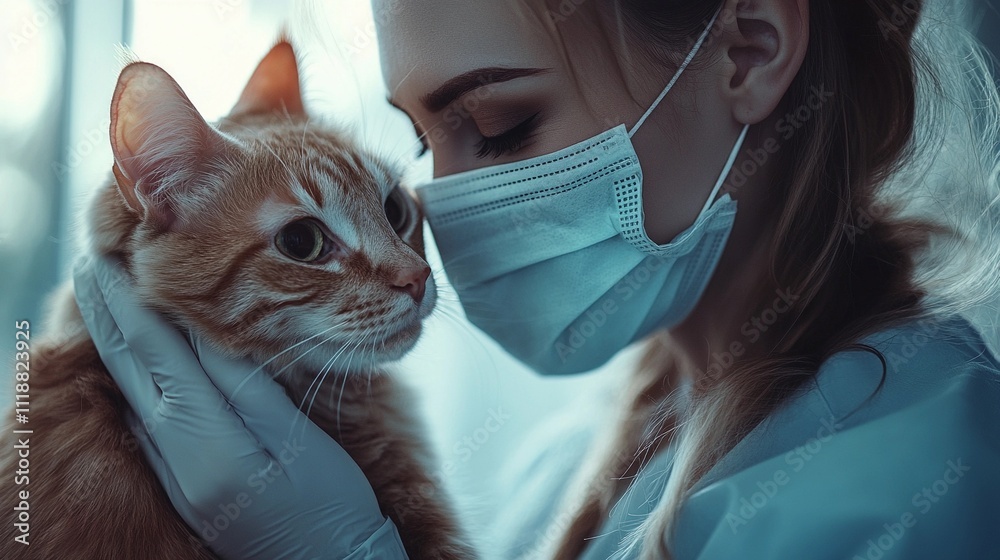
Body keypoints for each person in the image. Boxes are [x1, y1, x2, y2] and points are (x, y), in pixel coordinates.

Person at [73, 0, 1000, 558]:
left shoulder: (920, 479)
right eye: (422, 140)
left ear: (748, 53)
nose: (443, 207)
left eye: (503, 125)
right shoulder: (578, 454)